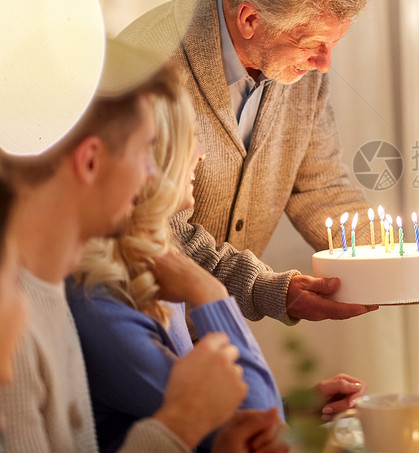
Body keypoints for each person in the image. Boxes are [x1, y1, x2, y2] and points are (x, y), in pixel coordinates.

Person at [0, 41, 287, 452]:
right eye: (143, 151)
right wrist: (177, 426)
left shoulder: (47, 298)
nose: (153, 172)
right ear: (91, 162)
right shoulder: (19, 316)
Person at [67, 78, 367, 451]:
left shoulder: (148, 271)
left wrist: (292, 411)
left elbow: (222, 421)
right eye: (190, 136)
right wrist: (208, 292)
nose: (202, 154)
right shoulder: (100, 298)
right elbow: (251, 417)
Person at [118, 0, 378, 325]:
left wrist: (386, 257)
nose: (325, 64)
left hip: (219, 320)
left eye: (332, 44)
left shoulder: (298, 69)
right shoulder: (146, 66)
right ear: (250, 19)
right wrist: (264, 289)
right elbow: (154, 226)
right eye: (312, 44)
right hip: (142, 320)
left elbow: (318, 184)